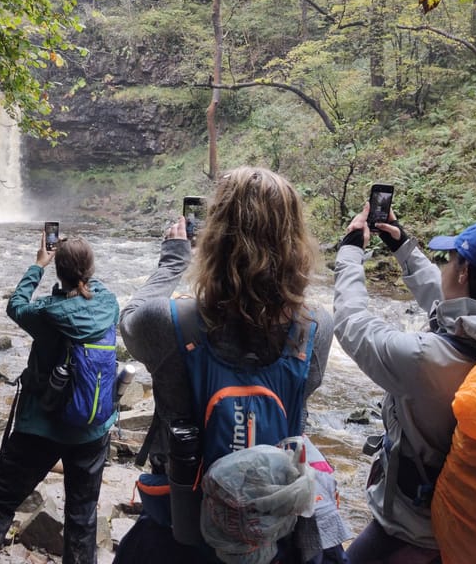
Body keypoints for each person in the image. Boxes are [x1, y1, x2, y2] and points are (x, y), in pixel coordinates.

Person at [116, 166, 349, 563]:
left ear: (213, 239)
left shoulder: (166, 323)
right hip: (272, 534)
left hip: (182, 529)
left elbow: (129, 317)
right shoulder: (316, 328)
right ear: (295, 242)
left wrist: (172, 261)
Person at [333, 205, 476, 564]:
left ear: (464, 271)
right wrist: (404, 248)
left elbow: (352, 324)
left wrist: (349, 252)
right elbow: (452, 309)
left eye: (450, 261)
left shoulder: (425, 360)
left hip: (412, 533)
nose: (444, 269)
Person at [0, 233, 120, 564]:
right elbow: (88, 288)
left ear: (59, 270)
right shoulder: (109, 304)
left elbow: (16, 305)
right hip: (92, 429)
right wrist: (77, 272)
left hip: (41, 429)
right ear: (90, 270)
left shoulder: (46, 313)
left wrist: (38, 265)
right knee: (83, 517)